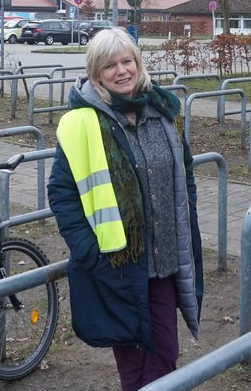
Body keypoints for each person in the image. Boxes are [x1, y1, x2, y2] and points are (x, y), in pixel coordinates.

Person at [48, 27, 203, 390]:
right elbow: (62, 193)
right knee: (133, 364)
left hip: (163, 261)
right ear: (96, 73)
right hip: (117, 265)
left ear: (137, 63)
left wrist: (185, 215)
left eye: (126, 61)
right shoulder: (82, 123)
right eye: (109, 65)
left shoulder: (161, 111)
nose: (121, 71)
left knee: (165, 353)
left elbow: (186, 170)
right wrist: (88, 250)